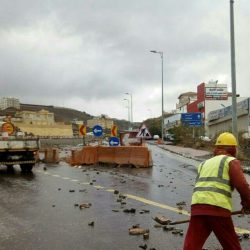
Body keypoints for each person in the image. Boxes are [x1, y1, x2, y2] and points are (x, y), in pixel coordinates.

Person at [183, 132, 250, 250]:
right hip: (218, 208)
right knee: (232, 246)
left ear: (216, 148)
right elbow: (242, 186)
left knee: (191, 246)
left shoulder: (204, 164)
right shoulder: (230, 161)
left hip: (198, 207)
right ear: (233, 149)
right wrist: (248, 204)